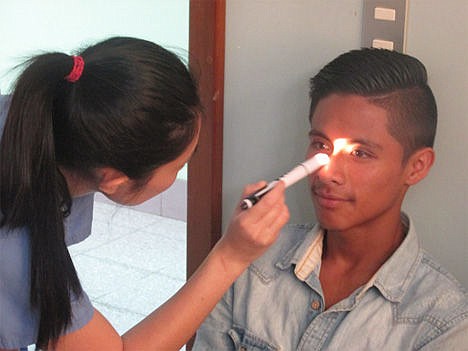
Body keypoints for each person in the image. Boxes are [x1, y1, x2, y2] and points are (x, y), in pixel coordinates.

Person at [0, 37, 290, 351]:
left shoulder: (25, 117)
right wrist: (230, 256)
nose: (181, 171)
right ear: (115, 180)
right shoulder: (17, 247)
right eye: (180, 165)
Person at [192, 48, 468, 350]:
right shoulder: (252, 260)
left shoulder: (442, 322)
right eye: (321, 144)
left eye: (360, 153)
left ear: (417, 166)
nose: (327, 173)